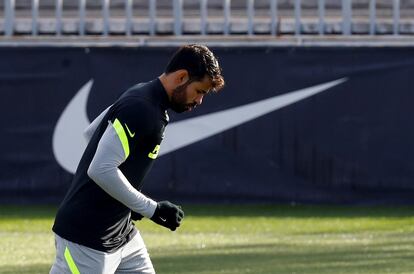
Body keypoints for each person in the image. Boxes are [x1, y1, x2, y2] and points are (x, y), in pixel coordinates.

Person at [50, 44, 225, 274]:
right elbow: (100, 169)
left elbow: (92, 132)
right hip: (87, 240)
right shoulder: (141, 107)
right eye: (200, 91)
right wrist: (151, 209)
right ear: (182, 77)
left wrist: (125, 201)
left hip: (122, 235)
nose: (199, 101)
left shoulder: (144, 96)